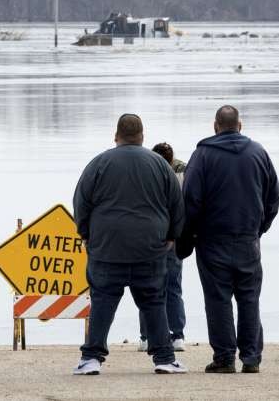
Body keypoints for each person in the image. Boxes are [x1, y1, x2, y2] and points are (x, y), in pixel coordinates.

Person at [72, 114, 187, 375]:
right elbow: (176, 204)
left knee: (102, 301)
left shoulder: (98, 163)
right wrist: (171, 235)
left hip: (106, 247)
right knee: (154, 301)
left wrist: (86, 233)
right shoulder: (160, 165)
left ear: (116, 136)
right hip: (150, 247)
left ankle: (91, 358)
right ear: (142, 136)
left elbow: (81, 202)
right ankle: (164, 358)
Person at [180, 105, 279, 373]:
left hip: (212, 240)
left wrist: (187, 236)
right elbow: (274, 196)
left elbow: (190, 200)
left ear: (215, 126)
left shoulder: (202, 156)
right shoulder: (258, 153)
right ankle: (251, 358)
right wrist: (260, 227)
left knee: (218, 299)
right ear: (240, 125)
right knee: (249, 298)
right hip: (248, 239)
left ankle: (225, 358)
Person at [137, 142, 187, 352]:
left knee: (146, 287)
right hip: (175, 237)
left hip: (148, 238)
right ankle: (177, 336)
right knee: (173, 286)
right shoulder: (184, 172)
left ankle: (147, 336)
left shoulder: (144, 172)